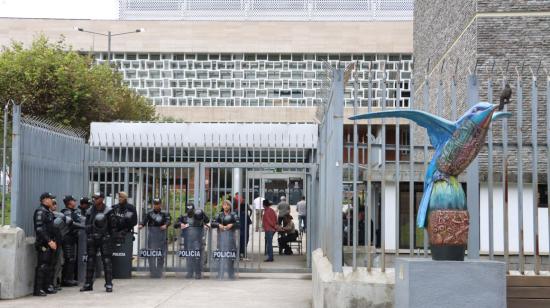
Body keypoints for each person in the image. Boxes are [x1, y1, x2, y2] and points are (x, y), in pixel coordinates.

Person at [80, 192, 117, 293]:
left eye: (96, 198)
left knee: (107, 261)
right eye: (94, 198)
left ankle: (109, 284)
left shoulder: (108, 211)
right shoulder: (89, 211)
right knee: (90, 261)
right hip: (92, 238)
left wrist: (111, 239)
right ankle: (88, 284)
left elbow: (113, 227)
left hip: (104, 238)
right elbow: (86, 225)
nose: (94, 200)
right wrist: (90, 233)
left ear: (102, 199)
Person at [174, 203, 209, 279]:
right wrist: (180, 224)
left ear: (193, 209)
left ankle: (198, 273)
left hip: (197, 239)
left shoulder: (198, 216)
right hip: (188, 240)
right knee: (189, 256)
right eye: (188, 210)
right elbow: (175, 224)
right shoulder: (183, 217)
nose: (190, 211)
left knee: (197, 256)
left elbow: (207, 220)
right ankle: (190, 272)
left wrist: (203, 214)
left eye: (191, 210)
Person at [33, 192, 58, 296]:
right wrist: (49, 241)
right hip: (44, 243)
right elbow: (39, 229)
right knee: (42, 266)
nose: (52, 200)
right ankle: (38, 289)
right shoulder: (40, 211)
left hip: (50, 242)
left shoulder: (48, 211)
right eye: (50, 198)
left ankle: (47, 286)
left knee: (49, 265)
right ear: (44, 199)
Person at [139, 198, 171, 278]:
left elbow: (168, 220)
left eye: (158, 203)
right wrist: (141, 225)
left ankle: (159, 271)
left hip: (161, 236)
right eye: (155, 204)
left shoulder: (165, 213)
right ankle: (153, 272)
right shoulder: (149, 213)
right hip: (152, 236)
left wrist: (165, 225)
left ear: (160, 204)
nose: (156, 205)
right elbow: (144, 221)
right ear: (153, 204)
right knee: (151, 254)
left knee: (161, 255)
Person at [211, 200, 239, 279]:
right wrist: (218, 225)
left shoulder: (233, 215)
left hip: (230, 238)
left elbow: (239, 224)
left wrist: (232, 225)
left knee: (230, 257)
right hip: (221, 238)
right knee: (220, 256)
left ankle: (231, 274)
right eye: (224, 205)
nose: (226, 206)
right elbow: (212, 223)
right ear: (222, 206)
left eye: (227, 205)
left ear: (230, 206)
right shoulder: (219, 215)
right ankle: (220, 273)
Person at [60, 195, 85, 287]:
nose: (75, 202)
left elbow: (81, 219)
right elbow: (71, 223)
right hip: (67, 238)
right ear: (69, 202)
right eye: (73, 200)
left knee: (71, 259)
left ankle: (69, 278)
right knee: (69, 259)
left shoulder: (74, 212)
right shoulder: (66, 212)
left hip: (72, 238)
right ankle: (66, 280)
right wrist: (83, 227)